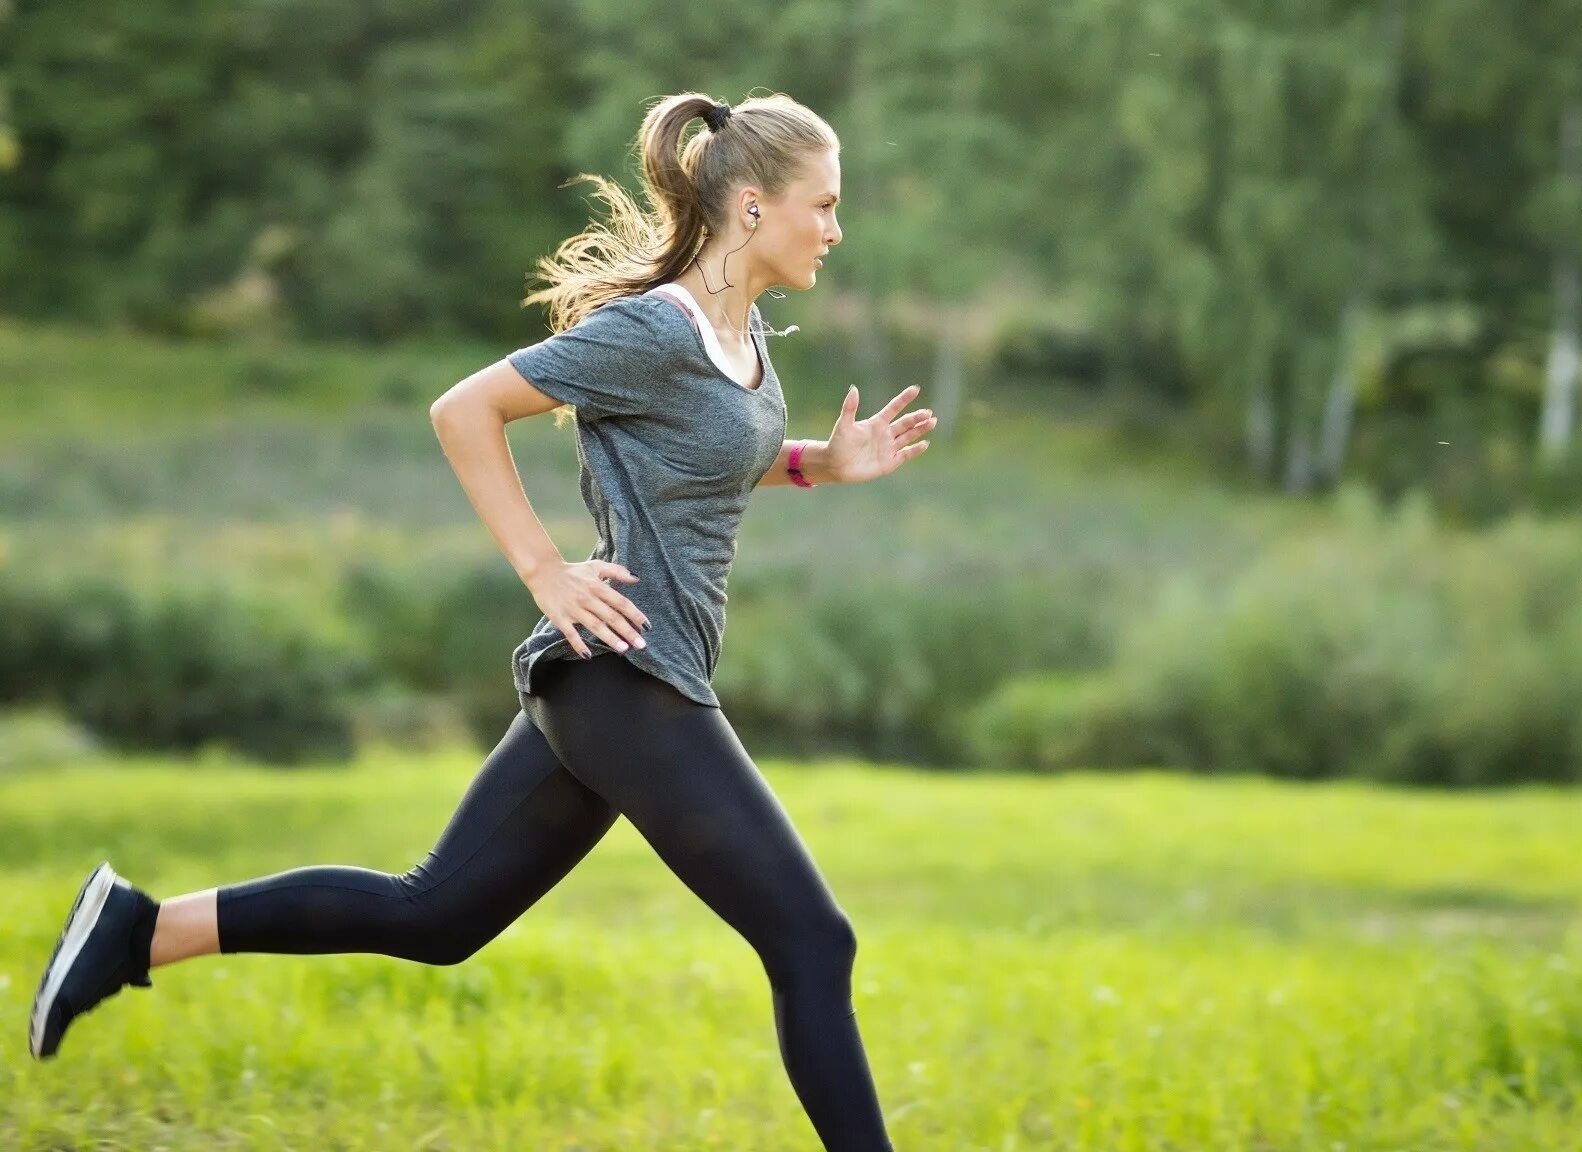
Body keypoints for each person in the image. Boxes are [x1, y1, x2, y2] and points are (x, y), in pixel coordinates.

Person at [29, 90, 936, 1152]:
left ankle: (140, 930)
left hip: (618, 679)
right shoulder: (653, 329)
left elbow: (699, 467)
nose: (835, 228)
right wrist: (547, 570)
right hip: (626, 677)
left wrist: (818, 465)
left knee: (436, 917)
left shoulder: (741, 336)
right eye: (822, 205)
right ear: (750, 206)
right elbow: (464, 410)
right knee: (813, 942)